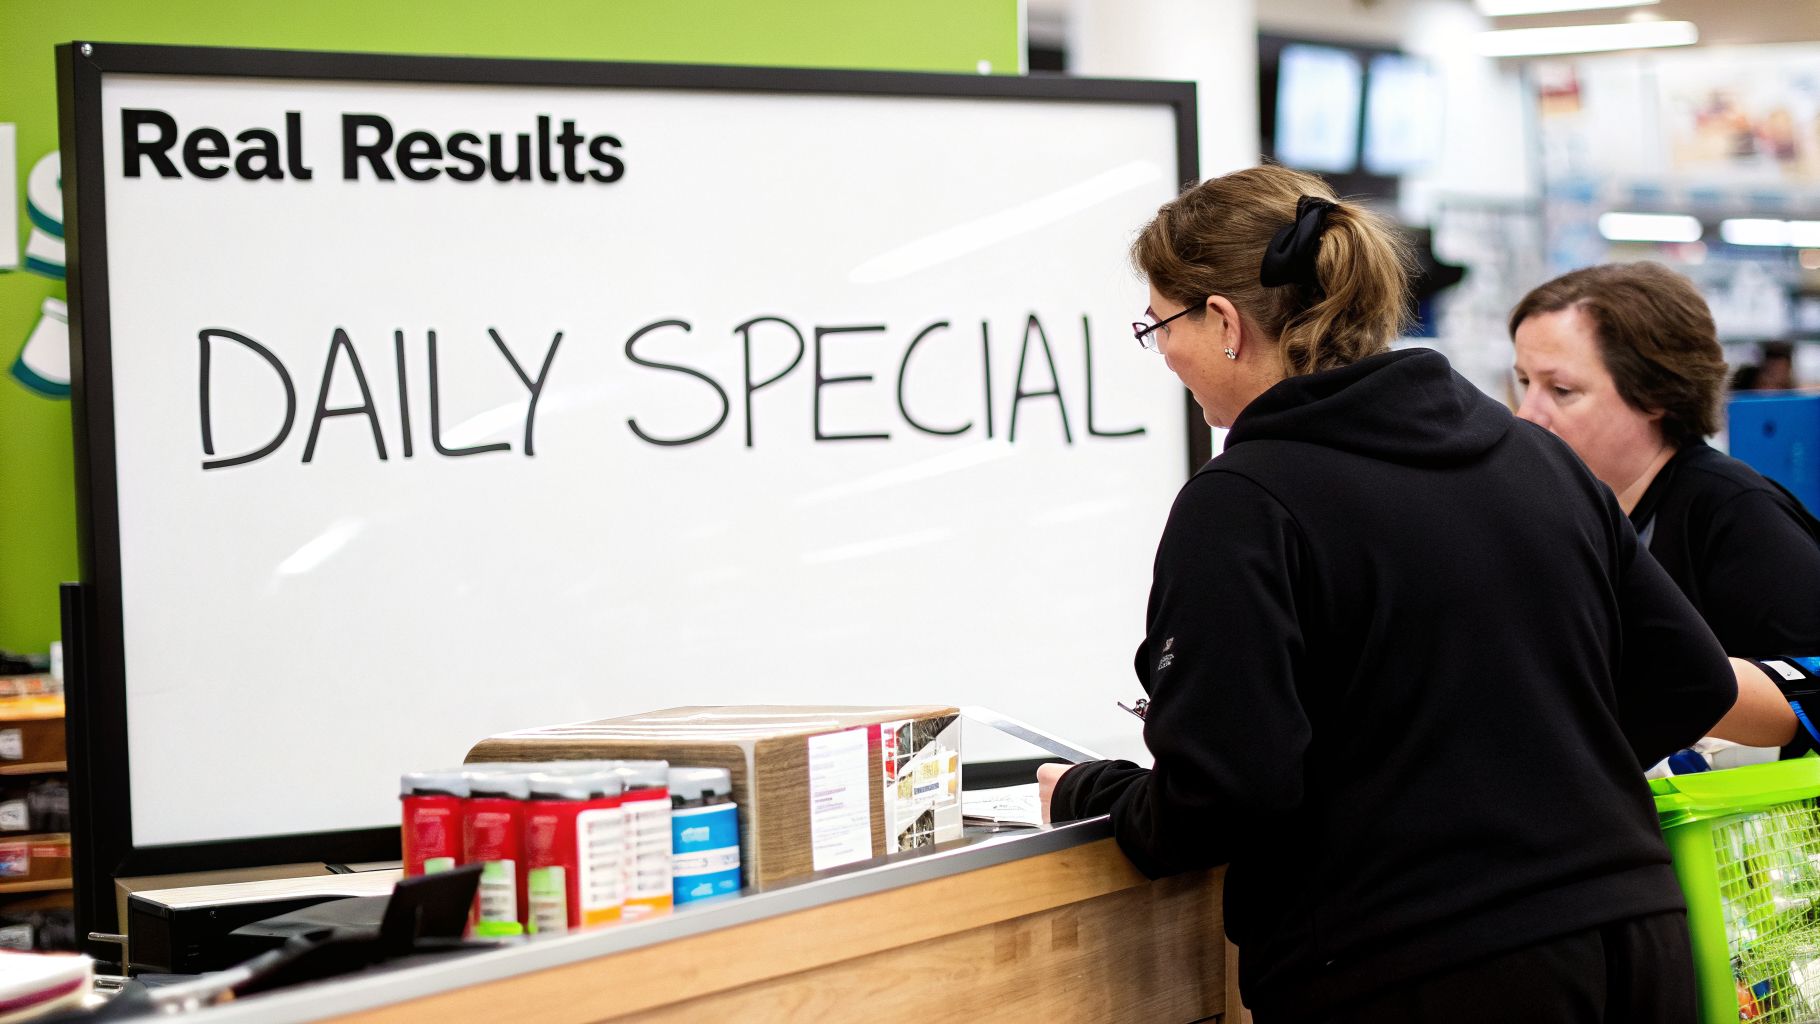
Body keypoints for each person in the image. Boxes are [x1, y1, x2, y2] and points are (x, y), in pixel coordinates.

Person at [1035, 167, 1782, 1024]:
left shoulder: (1245, 503)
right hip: (1634, 936)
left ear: (1225, 322)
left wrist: (1097, 795)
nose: (1163, 352)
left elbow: (1222, 798)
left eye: (1160, 324)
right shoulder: (1532, 457)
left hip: (1417, 966)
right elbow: (1689, 681)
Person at [1509, 264, 1820, 661]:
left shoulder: (1736, 513)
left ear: (1656, 392)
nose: (1527, 415)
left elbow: (1807, 689)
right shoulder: (1567, 512)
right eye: (1524, 383)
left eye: (1562, 390)